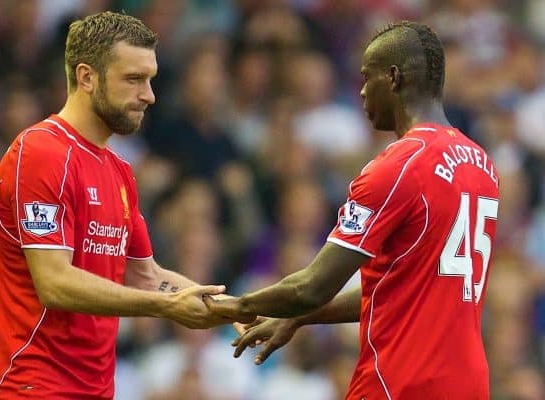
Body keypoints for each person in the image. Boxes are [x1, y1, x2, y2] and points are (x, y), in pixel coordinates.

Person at [205, 21, 499, 399]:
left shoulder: (399, 166)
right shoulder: (481, 165)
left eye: (367, 76)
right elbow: (397, 287)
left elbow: (312, 286)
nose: (361, 91)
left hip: (401, 383)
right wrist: (301, 317)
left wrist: (233, 306)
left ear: (393, 78)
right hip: (469, 385)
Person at [0, 11, 250, 400]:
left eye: (150, 79)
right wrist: (165, 307)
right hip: (32, 386)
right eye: (133, 79)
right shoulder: (41, 152)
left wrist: (232, 306)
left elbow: (144, 274)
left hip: (98, 388)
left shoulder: (119, 169)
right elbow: (54, 282)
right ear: (87, 77)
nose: (149, 95)